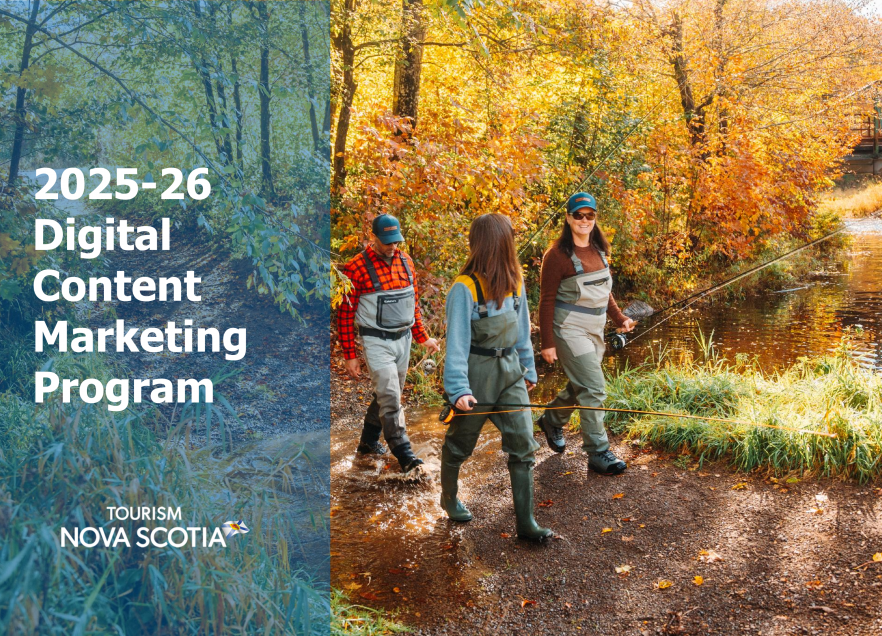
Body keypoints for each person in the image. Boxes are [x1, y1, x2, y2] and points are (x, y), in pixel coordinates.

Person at [441, 214, 553, 542]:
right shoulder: (464, 289)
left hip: (511, 373)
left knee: (524, 443)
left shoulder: (516, 282)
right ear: (499, 245)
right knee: (460, 444)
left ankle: (526, 523)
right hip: (476, 376)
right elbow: (457, 345)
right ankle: (448, 498)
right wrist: (458, 389)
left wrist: (529, 369)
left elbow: (522, 333)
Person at [536, 192, 636, 475]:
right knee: (593, 388)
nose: (584, 220)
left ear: (595, 218)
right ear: (568, 217)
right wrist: (548, 343)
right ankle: (598, 451)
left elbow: (605, 292)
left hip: (595, 329)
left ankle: (552, 420)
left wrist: (619, 318)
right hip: (567, 330)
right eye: (578, 215)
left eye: (589, 215)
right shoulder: (555, 256)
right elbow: (546, 300)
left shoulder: (599, 249)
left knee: (583, 383)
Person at [338, 213, 440, 473]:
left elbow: (412, 306)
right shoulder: (356, 267)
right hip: (376, 341)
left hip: (403, 341)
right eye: (387, 241)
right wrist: (350, 354)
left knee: (385, 395)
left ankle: (368, 442)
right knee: (391, 397)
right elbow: (345, 314)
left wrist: (423, 337)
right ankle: (404, 454)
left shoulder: (406, 262)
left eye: (395, 240)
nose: (392, 246)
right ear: (373, 237)